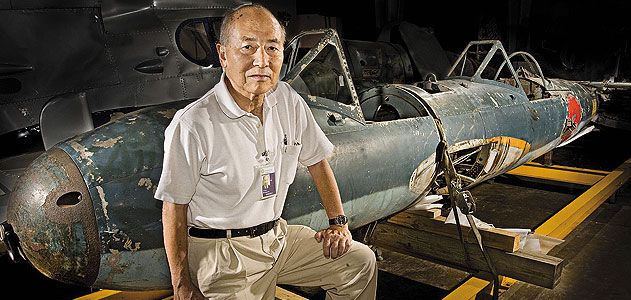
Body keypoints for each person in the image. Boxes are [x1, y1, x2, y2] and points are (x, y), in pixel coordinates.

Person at [155, 4, 377, 300]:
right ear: (223, 54)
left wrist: (338, 223)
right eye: (248, 47)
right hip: (223, 256)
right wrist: (181, 283)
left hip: (277, 239)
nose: (262, 61)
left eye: (272, 48)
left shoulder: (287, 99)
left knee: (359, 263)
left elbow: (317, 162)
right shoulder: (193, 124)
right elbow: (174, 207)